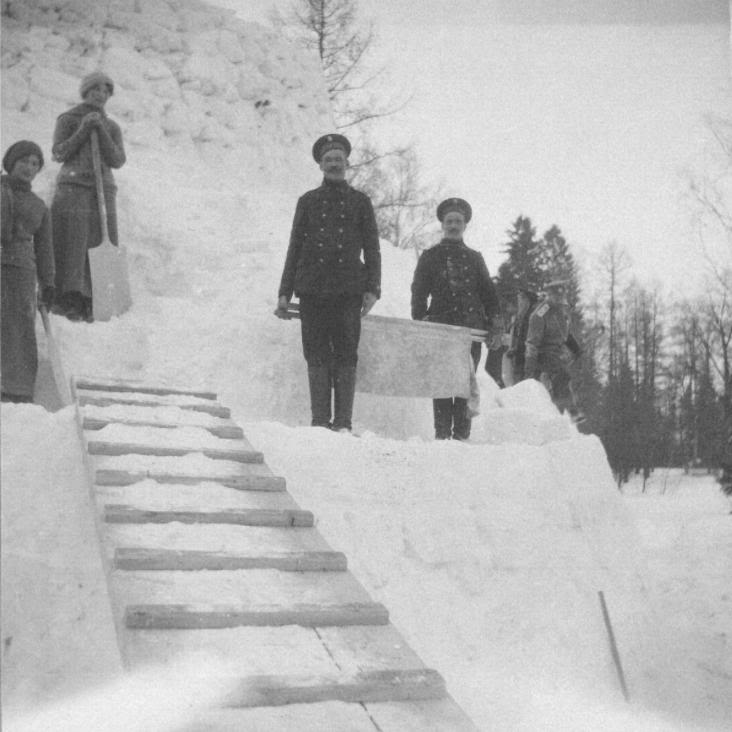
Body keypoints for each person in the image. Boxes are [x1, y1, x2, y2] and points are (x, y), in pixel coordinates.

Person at [274, 133, 381, 432]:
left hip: (348, 290)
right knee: (316, 353)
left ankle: (343, 423)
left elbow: (372, 248)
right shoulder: (308, 202)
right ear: (320, 165)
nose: (334, 164)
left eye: (338, 159)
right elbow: (294, 247)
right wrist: (284, 292)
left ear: (347, 163)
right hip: (313, 289)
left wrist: (373, 288)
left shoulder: (360, 202)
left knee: (346, 353)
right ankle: (320, 422)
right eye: (328, 160)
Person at [411, 197, 500, 440]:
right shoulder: (430, 256)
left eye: (458, 221)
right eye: (449, 221)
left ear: (464, 225)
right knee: (442, 382)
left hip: (470, 330)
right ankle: (442, 435)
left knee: (464, 382)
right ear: (442, 224)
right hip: (440, 329)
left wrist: (495, 323)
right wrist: (421, 320)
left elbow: (489, 294)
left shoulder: (475, 258)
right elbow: (418, 293)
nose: (453, 225)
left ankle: (461, 436)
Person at [51, 71, 126, 322]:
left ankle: (98, 296)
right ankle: (70, 296)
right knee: (74, 240)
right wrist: (84, 129)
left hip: (103, 188)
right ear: (86, 91)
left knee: (102, 238)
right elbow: (59, 153)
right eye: (96, 89)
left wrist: (101, 130)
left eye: (105, 91)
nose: (100, 95)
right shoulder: (68, 119)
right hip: (74, 187)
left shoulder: (112, 126)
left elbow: (117, 160)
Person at [1, 141, 55, 403]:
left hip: (21, 271)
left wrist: (48, 283)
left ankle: (17, 388)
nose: (29, 167)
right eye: (24, 161)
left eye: (35, 164)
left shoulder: (38, 206)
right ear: (11, 163)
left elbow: (45, 249)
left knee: (19, 328)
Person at [523, 278, 583, 419]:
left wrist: (576, 349)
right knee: (561, 375)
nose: (559, 299)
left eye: (561, 296)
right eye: (556, 296)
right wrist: (529, 367)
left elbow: (565, 333)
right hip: (541, 354)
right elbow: (532, 343)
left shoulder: (562, 311)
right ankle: (568, 410)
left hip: (557, 353)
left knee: (563, 377)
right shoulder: (540, 314)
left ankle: (561, 411)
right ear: (549, 295)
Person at [505, 284, 539, 382]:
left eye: (521, 299)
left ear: (527, 300)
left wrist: (516, 350)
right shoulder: (522, 316)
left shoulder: (532, 317)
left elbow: (529, 340)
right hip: (521, 360)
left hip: (527, 362)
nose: (519, 303)